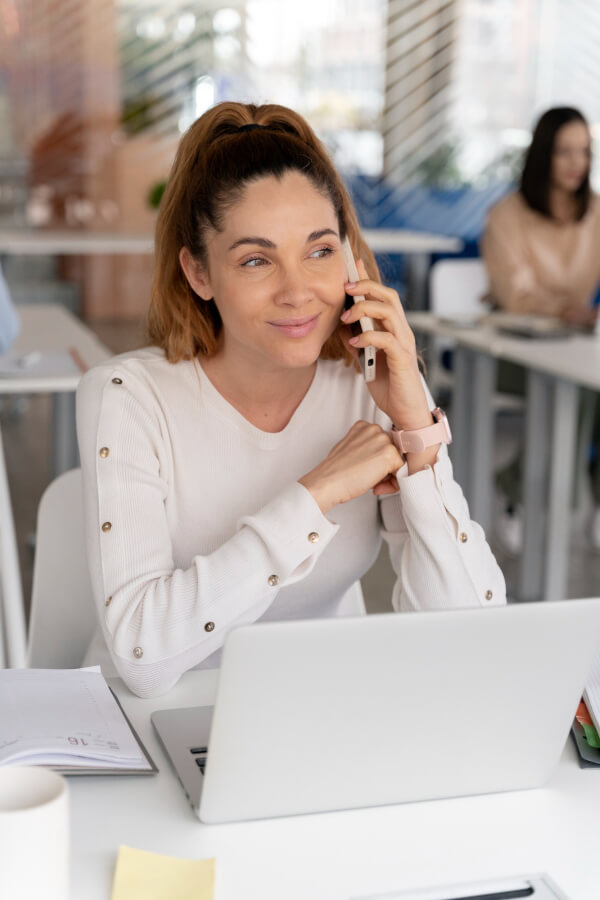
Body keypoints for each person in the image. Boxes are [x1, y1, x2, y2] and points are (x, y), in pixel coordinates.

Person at [77, 101, 506, 699]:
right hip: (153, 728)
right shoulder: (129, 396)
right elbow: (142, 658)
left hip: (319, 719)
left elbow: (471, 635)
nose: (298, 291)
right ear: (199, 274)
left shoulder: (371, 386)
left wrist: (417, 432)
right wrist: (315, 493)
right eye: (256, 260)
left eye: (320, 250)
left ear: (351, 259)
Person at [481, 106, 600, 553]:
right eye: (564, 151)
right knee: (582, 384)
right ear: (543, 154)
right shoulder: (507, 215)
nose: (576, 163)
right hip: (511, 349)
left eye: (584, 152)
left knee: (586, 377)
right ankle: (518, 492)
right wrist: (569, 312)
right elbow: (516, 296)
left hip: (574, 342)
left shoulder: (596, 212)